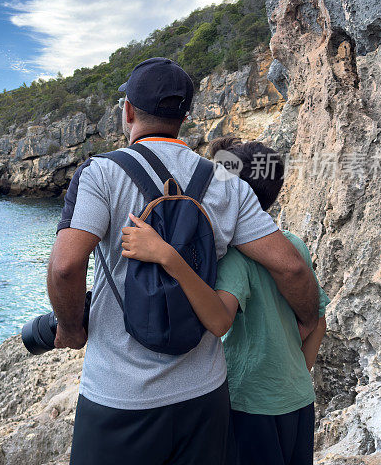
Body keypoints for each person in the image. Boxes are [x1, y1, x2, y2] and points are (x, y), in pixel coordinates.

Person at [47, 57, 320, 465]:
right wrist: (309, 318)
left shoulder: (102, 173)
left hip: (120, 396)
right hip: (203, 395)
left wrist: (71, 329)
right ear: (185, 117)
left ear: (129, 111)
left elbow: (65, 266)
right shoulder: (226, 182)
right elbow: (291, 267)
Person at [122, 136, 329, 465]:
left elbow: (219, 320)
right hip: (299, 399)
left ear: (229, 195)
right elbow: (319, 319)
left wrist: (168, 257)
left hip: (250, 405)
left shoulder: (235, 258)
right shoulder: (292, 245)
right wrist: (295, 373)